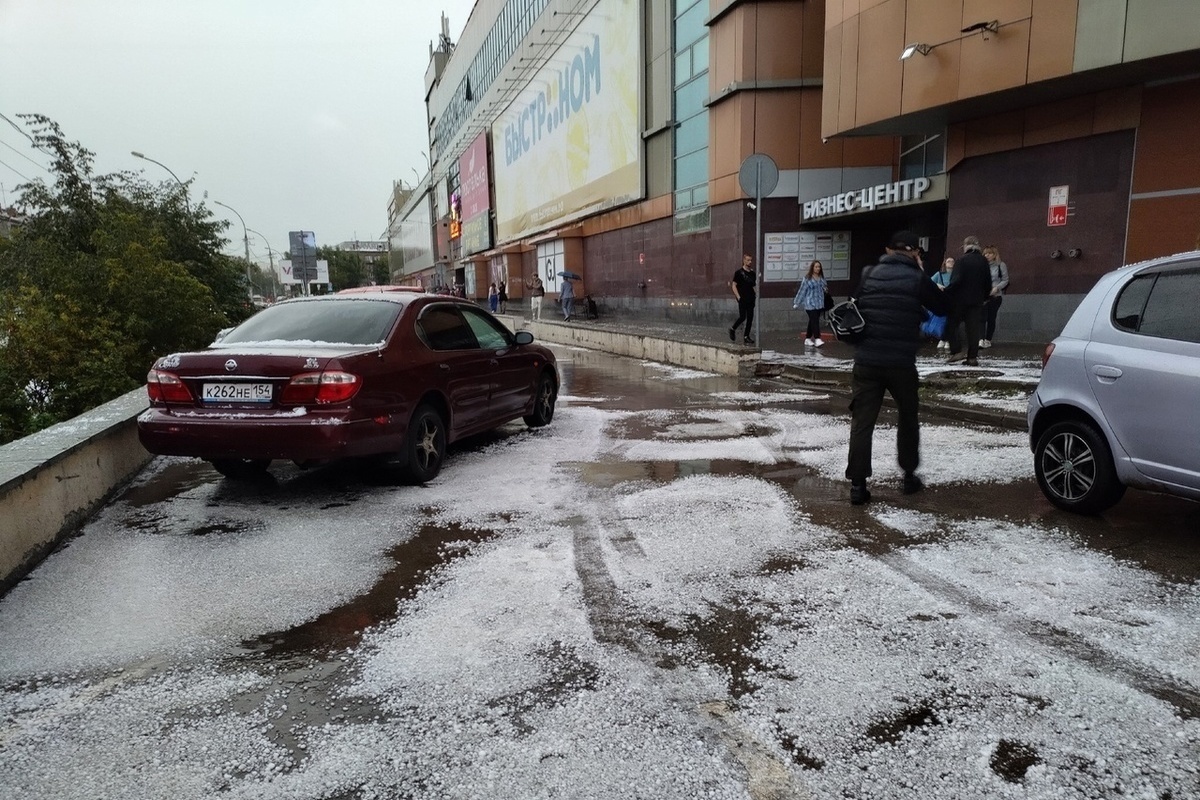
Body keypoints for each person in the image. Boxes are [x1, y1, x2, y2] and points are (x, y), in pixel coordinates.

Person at [844, 230, 950, 506]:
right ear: (914, 253)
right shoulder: (918, 278)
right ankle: (908, 475)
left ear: (888, 251)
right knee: (907, 417)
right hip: (901, 363)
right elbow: (941, 307)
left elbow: (855, 307)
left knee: (862, 423)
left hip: (867, 361)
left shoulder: (869, 274)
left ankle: (858, 485)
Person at [944, 235, 992, 366]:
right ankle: (972, 358)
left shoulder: (961, 260)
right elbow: (988, 282)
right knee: (973, 330)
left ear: (965, 246)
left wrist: (947, 292)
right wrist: (985, 297)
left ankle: (957, 351)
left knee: (950, 325)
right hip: (977, 301)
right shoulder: (983, 261)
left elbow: (956, 281)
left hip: (959, 300)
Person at [792, 260, 828, 347]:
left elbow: (825, 288)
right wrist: (797, 302)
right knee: (815, 320)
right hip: (810, 303)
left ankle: (808, 338)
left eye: (819, 267)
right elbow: (802, 291)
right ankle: (817, 338)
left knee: (812, 321)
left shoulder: (821, 278)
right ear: (812, 268)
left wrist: (825, 289)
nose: (818, 268)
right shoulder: (807, 279)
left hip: (819, 303)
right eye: (816, 267)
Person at [980, 245, 1009, 348]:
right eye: (985, 253)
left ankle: (988, 339)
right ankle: (981, 339)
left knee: (991, 318)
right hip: (983, 295)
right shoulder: (982, 266)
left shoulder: (1000, 265)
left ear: (994, 255)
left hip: (995, 296)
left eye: (989, 253)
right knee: (981, 317)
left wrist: (997, 288)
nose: (987, 255)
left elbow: (1005, 280)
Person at [728, 254, 757, 345]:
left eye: (751, 260)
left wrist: (755, 294)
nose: (750, 262)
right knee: (742, 316)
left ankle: (746, 336)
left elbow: (753, 285)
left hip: (751, 298)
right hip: (742, 298)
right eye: (748, 260)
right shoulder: (739, 273)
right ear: (744, 261)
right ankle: (733, 329)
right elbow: (734, 285)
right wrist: (738, 296)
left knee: (750, 317)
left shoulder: (752, 273)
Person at [931, 257, 953, 350]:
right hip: (942, 299)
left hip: (952, 299)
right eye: (949, 261)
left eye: (953, 261)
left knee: (950, 320)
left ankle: (946, 339)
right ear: (944, 263)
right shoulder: (939, 274)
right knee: (943, 320)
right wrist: (938, 285)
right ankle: (943, 339)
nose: (951, 263)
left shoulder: (956, 274)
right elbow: (930, 282)